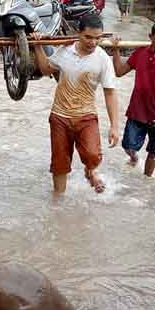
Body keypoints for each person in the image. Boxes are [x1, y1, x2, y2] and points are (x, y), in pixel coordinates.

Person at [32, 14, 119, 195]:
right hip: (60, 116)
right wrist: (38, 46)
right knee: (59, 164)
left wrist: (115, 126)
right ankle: (58, 202)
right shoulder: (65, 50)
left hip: (86, 115)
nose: (93, 42)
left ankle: (90, 171)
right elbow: (46, 69)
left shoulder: (102, 58)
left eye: (97, 38)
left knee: (93, 156)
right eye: (88, 37)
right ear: (78, 33)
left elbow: (110, 92)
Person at [111, 23, 155, 177]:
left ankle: (146, 180)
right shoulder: (140, 53)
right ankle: (134, 158)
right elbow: (119, 72)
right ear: (150, 37)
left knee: (154, 152)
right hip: (138, 110)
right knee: (128, 146)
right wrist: (116, 50)